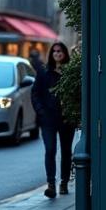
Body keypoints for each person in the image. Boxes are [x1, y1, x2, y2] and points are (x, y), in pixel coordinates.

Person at [33, 42, 74, 197]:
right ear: (51, 54)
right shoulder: (43, 71)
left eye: (60, 51)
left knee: (66, 151)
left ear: (65, 53)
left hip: (66, 119)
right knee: (50, 149)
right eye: (54, 51)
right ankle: (51, 184)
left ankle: (64, 182)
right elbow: (35, 94)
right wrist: (41, 111)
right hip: (48, 119)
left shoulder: (70, 72)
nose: (57, 53)